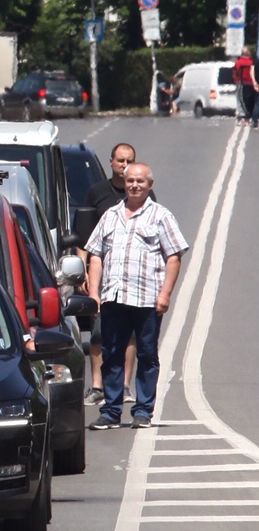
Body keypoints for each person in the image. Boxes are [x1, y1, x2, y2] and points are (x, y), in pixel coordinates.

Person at [85, 163, 188, 430]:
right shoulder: (110, 215)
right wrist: (94, 293)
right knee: (112, 353)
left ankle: (143, 411)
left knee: (147, 355)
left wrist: (165, 294)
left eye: (140, 181)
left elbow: (174, 257)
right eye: (130, 180)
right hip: (114, 299)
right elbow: (96, 255)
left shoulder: (161, 216)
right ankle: (111, 411)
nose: (134, 185)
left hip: (147, 300)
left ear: (149, 185)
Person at [83, 143, 150, 405]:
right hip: (104, 274)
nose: (124, 166)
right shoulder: (97, 193)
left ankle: (124, 385)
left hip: (133, 276)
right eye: (120, 161)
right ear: (111, 162)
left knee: (131, 333)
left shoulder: (144, 195)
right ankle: (98, 386)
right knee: (100, 332)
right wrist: (83, 271)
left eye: (129, 161)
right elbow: (85, 234)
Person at [238, 48, 258, 126]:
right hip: (252, 84)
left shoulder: (239, 62)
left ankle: (246, 117)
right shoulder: (251, 62)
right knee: (253, 101)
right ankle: (253, 118)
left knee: (242, 101)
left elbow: (235, 72)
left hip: (244, 84)